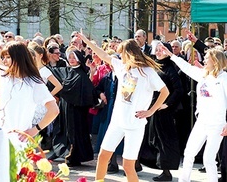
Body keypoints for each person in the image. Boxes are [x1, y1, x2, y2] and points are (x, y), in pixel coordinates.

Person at [77, 33, 169, 182]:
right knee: (102, 157)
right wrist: (87, 41)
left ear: (129, 53)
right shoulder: (122, 67)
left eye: (122, 53)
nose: (120, 56)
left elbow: (165, 91)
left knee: (128, 166)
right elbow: (103, 54)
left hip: (135, 125)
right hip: (117, 122)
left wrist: (150, 111)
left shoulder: (148, 72)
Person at [160, 45, 227, 182]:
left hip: (217, 125)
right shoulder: (203, 75)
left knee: (208, 159)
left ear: (215, 60)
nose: (204, 61)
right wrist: (171, 55)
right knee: (189, 153)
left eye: (207, 58)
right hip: (201, 122)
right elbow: (187, 68)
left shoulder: (224, 78)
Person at [49, 46, 98, 166]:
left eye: (73, 57)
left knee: (75, 132)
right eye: (69, 57)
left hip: (77, 110)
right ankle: (61, 152)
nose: (71, 59)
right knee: (63, 130)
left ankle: (74, 156)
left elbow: (88, 92)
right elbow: (50, 75)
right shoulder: (65, 71)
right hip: (65, 106)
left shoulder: (82, 75)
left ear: (79, 59)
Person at [142, 42, 183, 181]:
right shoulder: (155, 66)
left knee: (164, 140)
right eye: (157, 50)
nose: (158, 52)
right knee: (154, 139)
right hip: (153, 108)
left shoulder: (170, 69)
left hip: (164, 112)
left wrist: (167, 104)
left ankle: (166, 172)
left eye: (162, 50)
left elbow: (178, 90)